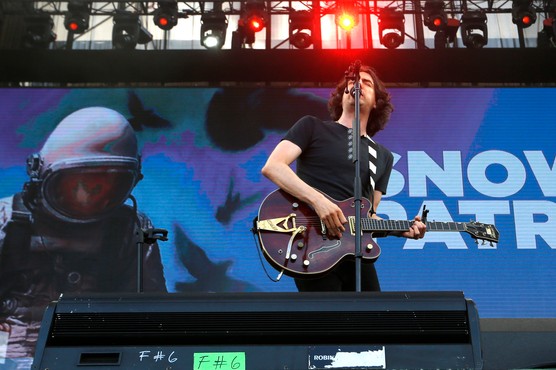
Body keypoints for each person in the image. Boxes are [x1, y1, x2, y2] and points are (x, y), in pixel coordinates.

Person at [0, 107, 167, 362]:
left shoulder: (128, 230)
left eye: (106, 184)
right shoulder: (6, 222)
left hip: (91, 358)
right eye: (78, 183)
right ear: (40, 173)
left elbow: (149, 317)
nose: (89, 196)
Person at [261, 62, 426, 292]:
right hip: (312, 241)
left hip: (354, 250)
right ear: (342, 95)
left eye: (366, 83)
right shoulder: (312, 127)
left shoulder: (382, 156)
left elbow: (368, 216)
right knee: (328, 322)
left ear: (376, 101)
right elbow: (274, 166)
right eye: (352, 82)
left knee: (374, 322)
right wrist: (319, 202)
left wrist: (401, 228)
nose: (357, 85)